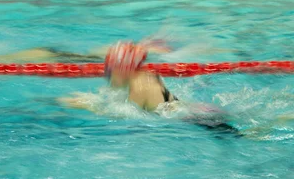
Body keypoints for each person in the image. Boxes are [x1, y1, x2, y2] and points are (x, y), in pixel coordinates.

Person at [59, 41, 242, 135]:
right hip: (196, 110)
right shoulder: (143, 76)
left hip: (195, 119)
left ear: (123, 70)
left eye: (110, 70)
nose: (107, 75)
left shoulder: (139, 88)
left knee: (240, 136)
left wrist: (90, 105)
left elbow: (127, 115)